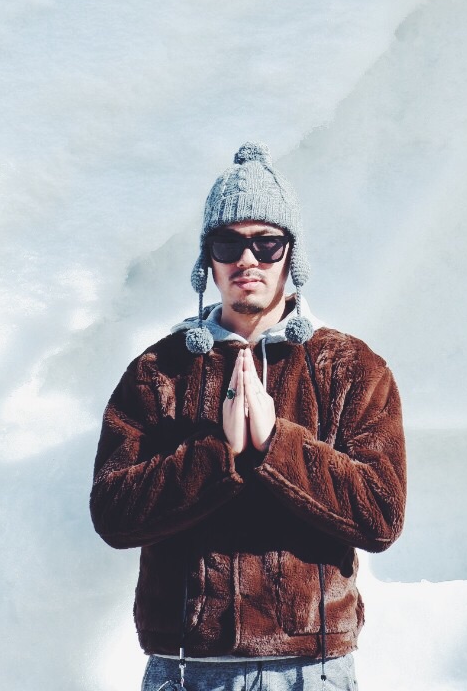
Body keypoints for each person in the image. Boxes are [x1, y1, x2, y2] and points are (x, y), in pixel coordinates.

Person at [91, 142, 407, 691]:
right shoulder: (157, 371)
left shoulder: (352, 368)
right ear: (206, 259)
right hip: (186, 669)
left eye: (267, 243)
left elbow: (381, 514)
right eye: (228, 243)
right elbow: (113, 514)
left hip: (311, 670)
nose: (248, 260)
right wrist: (217, 454)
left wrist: (275, 444)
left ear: (292, 254)